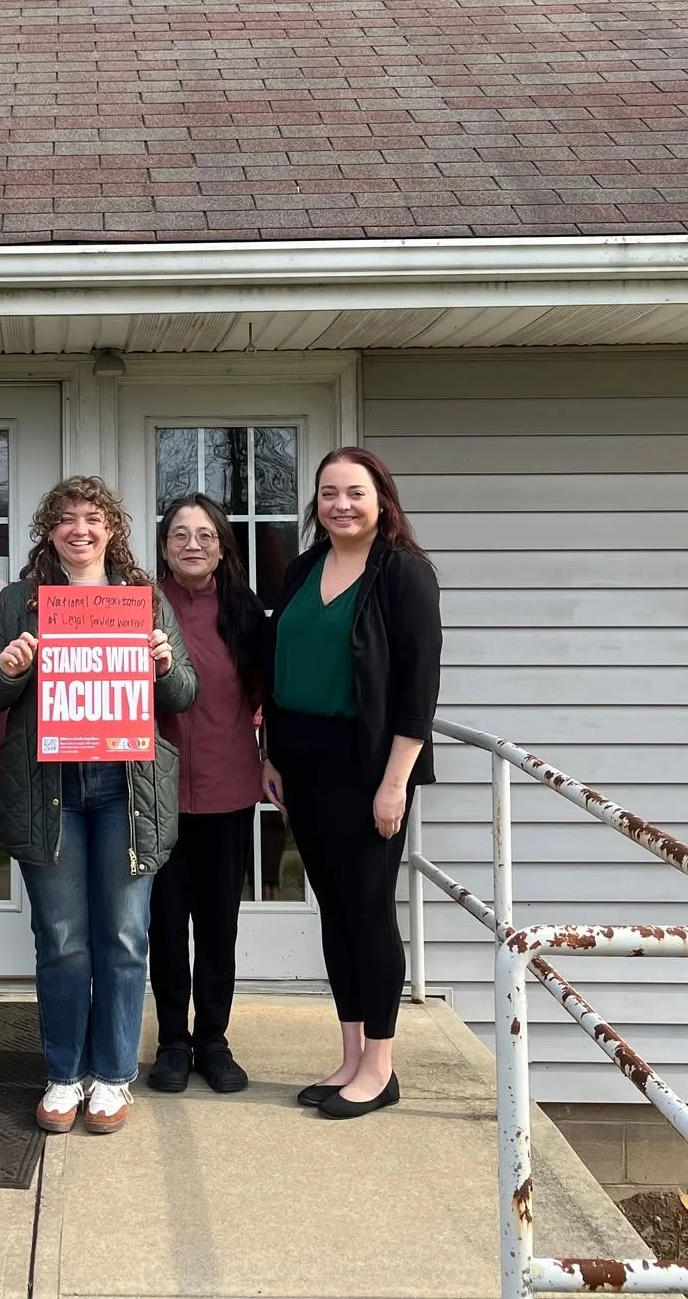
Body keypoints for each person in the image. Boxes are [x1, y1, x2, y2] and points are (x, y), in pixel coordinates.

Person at [0, 476, 197, 1135]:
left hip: (127, 789)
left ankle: (114, 1076)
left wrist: (162, 665)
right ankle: (64, 1075)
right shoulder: (20, 602)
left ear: (112, 529)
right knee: (63, 939)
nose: (81, 529)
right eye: (66, 518)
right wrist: (9, 668)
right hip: (52, 791)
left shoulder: (144, 600)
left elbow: (184, 693)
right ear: (50, 531)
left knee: (123, 937)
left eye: (93, 517)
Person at [262, 446, 440, 1120]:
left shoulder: (404, 573)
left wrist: (395, 783)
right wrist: (272, 754)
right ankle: (350, 1056)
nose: (341, 504)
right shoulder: (304, 568)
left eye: (355, 492)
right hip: (304, 764)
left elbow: (418, 690)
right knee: (335, 910)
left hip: (370, 768)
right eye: (329, 493)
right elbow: (281, 666)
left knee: (368, 910)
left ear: (381, 500)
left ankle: (380, 1067)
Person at [146, 493, 268, 1095]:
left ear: (222, 546)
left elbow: (268, 698)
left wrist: (273, 760)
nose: (192, 545)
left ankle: (213, 1040)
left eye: (205, 535)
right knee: (165, 924)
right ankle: (172, 1040)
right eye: (179, 535)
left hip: (228, 788)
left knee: (219, 925)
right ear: (164, 546)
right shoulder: (140, 606)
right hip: (155, 792)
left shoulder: (246, 612)